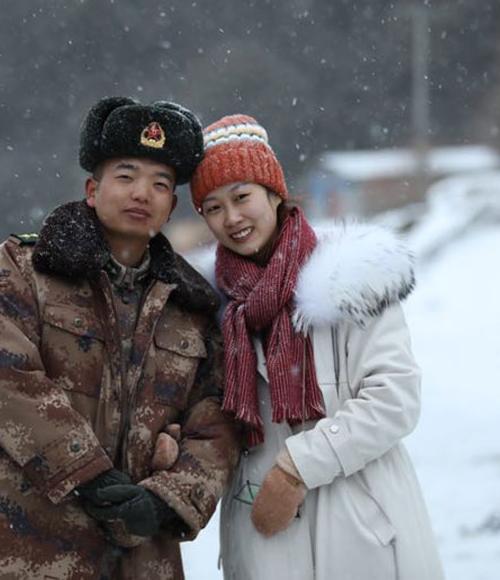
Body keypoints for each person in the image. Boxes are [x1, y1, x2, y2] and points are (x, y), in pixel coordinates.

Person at [0, 97, 240, 580]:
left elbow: (216, 422)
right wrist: (89, 474)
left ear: (173, 206)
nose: (142, 193)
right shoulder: (24, 268)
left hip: (134, 558)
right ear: (92, 190)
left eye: (160, 184)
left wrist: (165, 502)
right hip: (12, 549)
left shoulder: (192, 307)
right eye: (126, 176)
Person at [188, 114, 444, 579]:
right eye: (213, 207)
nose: (232, 218)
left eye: (242, 197)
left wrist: (297, 468)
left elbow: (394, 398)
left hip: (359, 517)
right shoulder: (212, 306)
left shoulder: (350, 280)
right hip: (261, 526)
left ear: (274, 193)